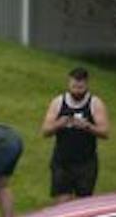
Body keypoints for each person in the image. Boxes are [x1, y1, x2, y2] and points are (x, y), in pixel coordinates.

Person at [41, 67, 110, 198]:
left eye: (80, 88)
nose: (77, 91)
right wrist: (59, 124)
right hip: (62, 162)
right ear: (69, 84)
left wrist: (87, 126)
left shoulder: (95, 103)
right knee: (62, 203)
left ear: (86, 85)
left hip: (86, 163)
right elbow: (45, 131)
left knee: (83, 205)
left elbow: (105, 132)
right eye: (74, 87)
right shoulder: (58, 102)